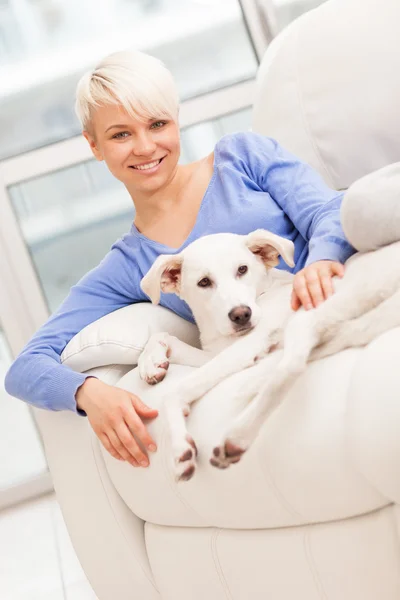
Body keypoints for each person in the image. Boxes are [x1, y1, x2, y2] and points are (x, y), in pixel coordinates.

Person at [4, 49, 355, 469]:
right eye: (120, 135)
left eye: (157, 124)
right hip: (269, 362)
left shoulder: (241, 158)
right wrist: (88, 393)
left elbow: (328, 210)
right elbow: (25, 367)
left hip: (334, 308)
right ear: (93, 145)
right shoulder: (129, 265)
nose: (146, 147)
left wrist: (319, 260)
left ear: (176, 119)